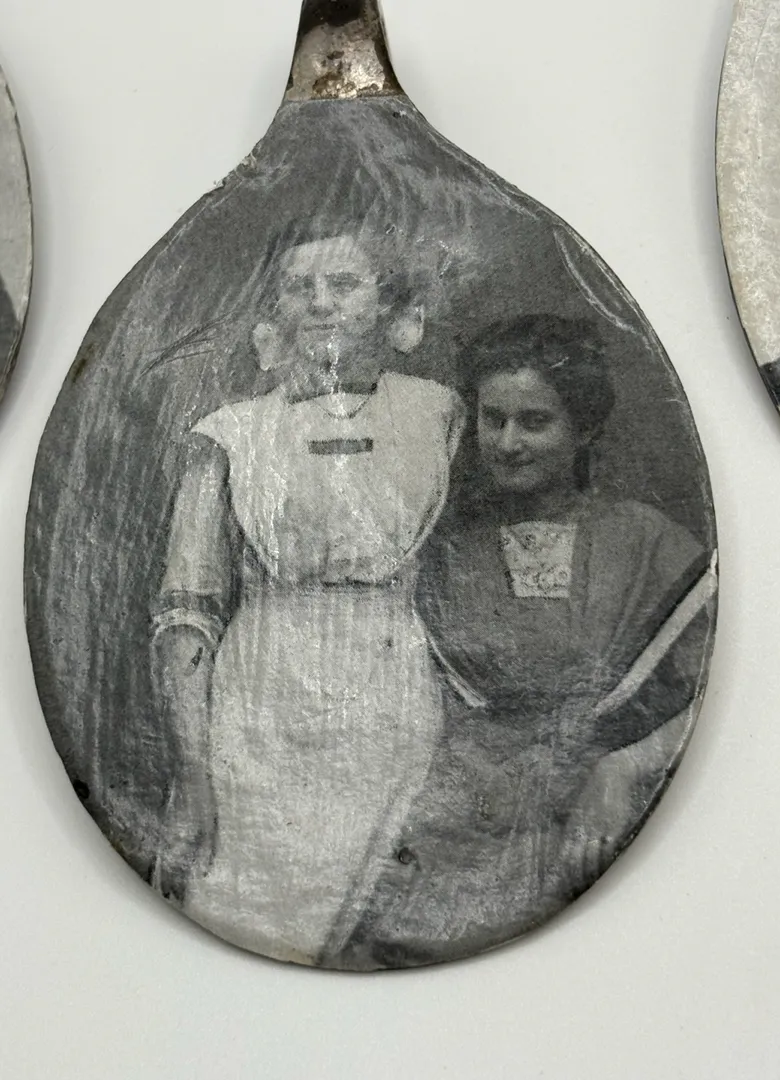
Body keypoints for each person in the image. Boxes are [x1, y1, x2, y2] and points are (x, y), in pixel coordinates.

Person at [333, 313, 717, 969]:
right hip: (456, 829)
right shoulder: (441, 550)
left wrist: (624, 768)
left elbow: (726, 685)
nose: (508, 442)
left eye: (535, 422)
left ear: (584, 428)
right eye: (494, 419)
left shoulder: (644, 540)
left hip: (597, 828)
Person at [151, 227, 466, 964]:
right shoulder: (229, 434)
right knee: (240, 917)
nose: (321, 303)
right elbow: (185, 616)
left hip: (392, 689)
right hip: (259, 701)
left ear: (388, 305)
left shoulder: (439, 413)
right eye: (301, 287)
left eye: (345, 285)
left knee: (370, 924)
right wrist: (194, 781)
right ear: (274, 310)